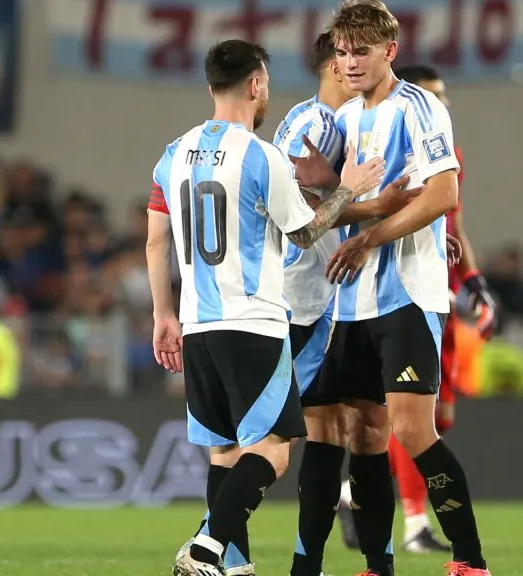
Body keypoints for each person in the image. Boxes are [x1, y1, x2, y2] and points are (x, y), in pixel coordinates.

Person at [146, 39, 387, 576]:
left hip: (197, 324)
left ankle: (233, 567)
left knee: (224, 454)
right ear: (255, 85)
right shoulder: (261, 155)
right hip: (252, 323)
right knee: (274, 450)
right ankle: (207, 546)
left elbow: (156, 241)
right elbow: (304, 233)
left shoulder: (172, 154)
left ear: (211, 86)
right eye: (267, 86)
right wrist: (346, 190)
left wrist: (164, 314)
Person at [294, 2, 497, 575]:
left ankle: (469, 561)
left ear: (390, 51)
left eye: (362, 50)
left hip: (407, 294)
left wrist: (369, 237)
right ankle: (378, 566)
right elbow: (330, 210)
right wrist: (328, 194)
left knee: (412, 428)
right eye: (342, 50)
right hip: (350, 300)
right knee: (365, 433)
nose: (351, 61)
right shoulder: (346, 118)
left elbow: (442, 195)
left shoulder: (420, 107)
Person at [347, 63, 495, 554]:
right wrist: (373, 232)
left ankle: (363, 503)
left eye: (443, 95)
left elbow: (451, 218)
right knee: (400, 424)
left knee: (432, 419)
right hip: (390, 295)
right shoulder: (385, 139)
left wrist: (472, 278)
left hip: (436, 292)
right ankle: (416, 529)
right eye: (432, 94)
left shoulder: (446, 152)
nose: (441, 103)